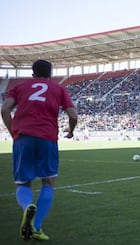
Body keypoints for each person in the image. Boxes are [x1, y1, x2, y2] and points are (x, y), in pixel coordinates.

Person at [1, 59, 78, 241]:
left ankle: (27, 205)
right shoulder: (58, 89)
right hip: (47, 138)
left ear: (33, 74)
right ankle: (37, 227)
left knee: (22, 183)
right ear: (50, 74)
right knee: (48, 182)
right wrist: (71, 131)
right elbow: (73, 115)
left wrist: (14, 132)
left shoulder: (20, 87)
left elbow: (4, 109)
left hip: (23, 137)